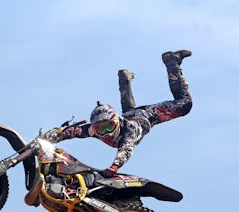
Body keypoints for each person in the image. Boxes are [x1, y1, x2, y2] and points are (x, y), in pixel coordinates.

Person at [59, 50, 193, 177]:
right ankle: (124, 79)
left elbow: (126, 148)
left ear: (116, 121)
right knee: (129, 111)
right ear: (94, 128)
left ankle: (172, 62)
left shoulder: (130, 129)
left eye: (109, 126)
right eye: (101, 128)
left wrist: (114, 167)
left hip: (146, 115)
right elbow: (72, 131)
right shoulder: (92, 131)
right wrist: (55, 137)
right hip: (130, 115)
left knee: (185, 104)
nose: (106, 133)